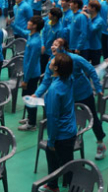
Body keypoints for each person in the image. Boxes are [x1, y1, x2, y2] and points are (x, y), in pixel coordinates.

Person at [38, 53, 77, 192]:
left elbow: (53, 118)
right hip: (70, 129)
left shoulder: (54, 90)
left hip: (61, 134)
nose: (50, 59)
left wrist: (52, 140)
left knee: (65, 165)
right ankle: (52, 185)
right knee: (63, 161)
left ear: (56, 68)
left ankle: (70, 187)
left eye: (52, 60)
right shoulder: (69, 79)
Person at [19, 16, 43, 131]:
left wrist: (26, 80)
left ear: (35, 26)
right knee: (26, 96)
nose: (27, 22)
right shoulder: (31, 35)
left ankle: (32, 123)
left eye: (30, 22)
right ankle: (29, 117)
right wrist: (11, 24)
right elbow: (22, 31)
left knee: (29, 97)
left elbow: (32, 63)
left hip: (31, 74)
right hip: (29, 72)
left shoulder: (35, 42)